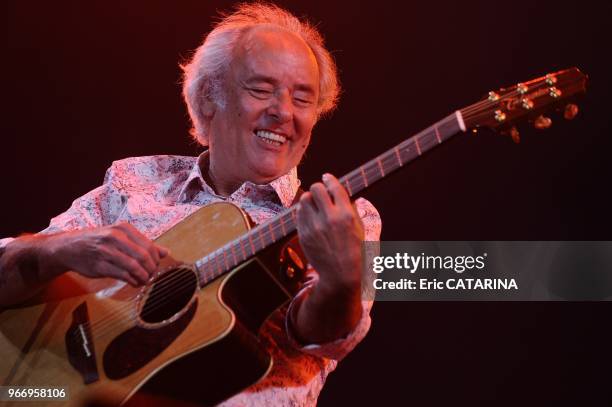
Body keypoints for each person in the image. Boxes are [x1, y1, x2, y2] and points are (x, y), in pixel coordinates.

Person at [0, 3, 381, 405]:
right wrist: (59, 248)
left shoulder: (348, 220)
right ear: (207, 98)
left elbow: (324, 337)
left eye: (303, 99)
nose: (283, 112)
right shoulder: (136, 180)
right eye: (261, 89)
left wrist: (341, 282)